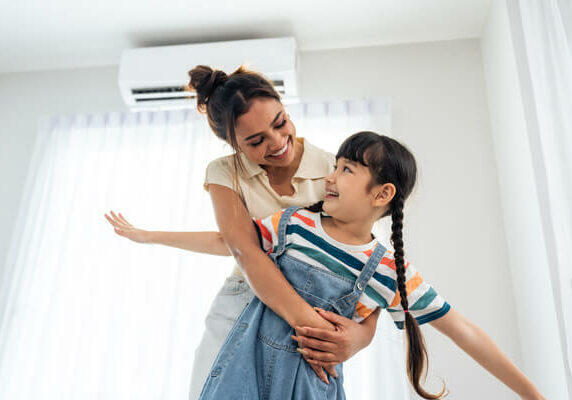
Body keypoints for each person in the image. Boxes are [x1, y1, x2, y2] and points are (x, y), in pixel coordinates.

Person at [192, 131, 544, 399]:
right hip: (244, 372)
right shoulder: (293, 224)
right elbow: (233, 243)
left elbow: (463, 331)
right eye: (334, 167)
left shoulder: (390, 270)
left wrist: (535, 396)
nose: (330, 177)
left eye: (346, 169)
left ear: (381, 194)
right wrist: (149, 237)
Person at [104, 65, 381, 400]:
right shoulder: (225, 173)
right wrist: (149, 236)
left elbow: (364, 254)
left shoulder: (331, 169)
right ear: (233, 145)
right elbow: (241, 246)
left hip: (314, 309)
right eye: (256, 141)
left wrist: (361, 336)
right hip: (249, 301)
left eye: (280, 123)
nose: (278, 142)